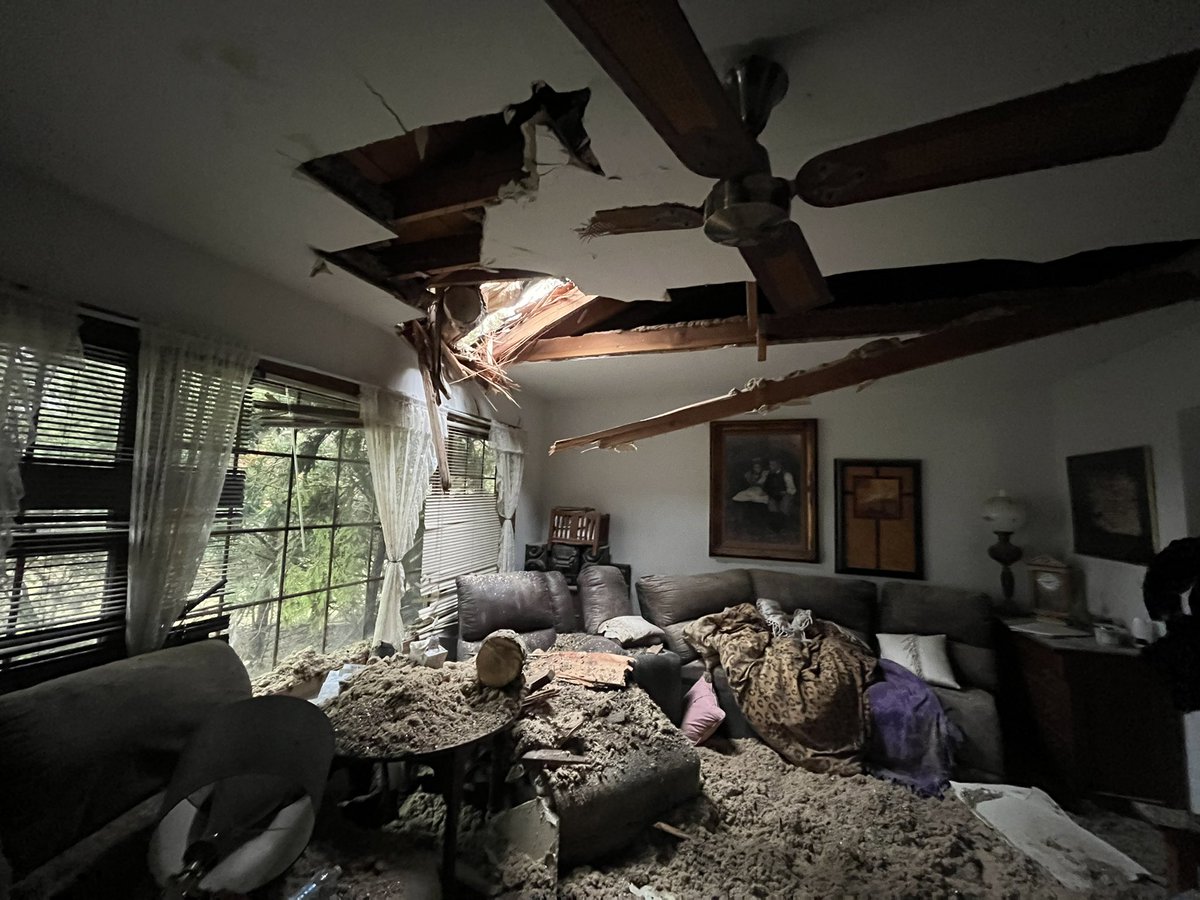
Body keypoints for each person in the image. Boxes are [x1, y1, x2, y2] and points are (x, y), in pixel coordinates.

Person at [763, 458, 797, 532]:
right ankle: (774, 527)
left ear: (779, 465)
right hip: (773, 495)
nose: (771, 466)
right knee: (772, 505)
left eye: (773, 465)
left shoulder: (786, 474)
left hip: (785, 494)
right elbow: (766, 486)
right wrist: (767, 491)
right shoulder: (769, 474)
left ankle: (783, 526)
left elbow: (792, 489)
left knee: (785, 504)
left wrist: (785, 492)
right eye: (770, 465)